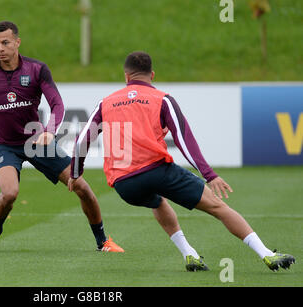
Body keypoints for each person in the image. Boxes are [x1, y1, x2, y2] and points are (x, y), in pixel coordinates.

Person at [68, 51, 295, 272]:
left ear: (126, 76)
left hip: (124, 184)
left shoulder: (106, 102)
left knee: (157, 202)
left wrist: (75, 174)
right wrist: (209, 175)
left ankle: (189, 253)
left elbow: (82, 141)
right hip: (157, 170)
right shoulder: (162, 100)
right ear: (152, 75)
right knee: (218, 207)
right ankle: (266, 254)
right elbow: (184, 140)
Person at [0, 21, 124, 253]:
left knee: (82, 187)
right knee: (10, 193)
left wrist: (49, 131)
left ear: (17, 42)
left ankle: (103, 241)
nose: (0, 48)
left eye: (5, 42)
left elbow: (57, 103)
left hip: (37, 142)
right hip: (4, 145)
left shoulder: (36, 69)